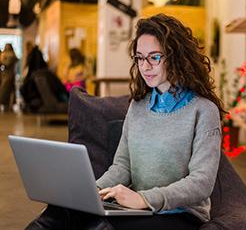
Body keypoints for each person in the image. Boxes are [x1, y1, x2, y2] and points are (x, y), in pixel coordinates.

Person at [26, 13, 225, 229]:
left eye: (154, 57)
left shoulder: (204, 110)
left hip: (181, 214)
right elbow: (122, 166)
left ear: (176, 57)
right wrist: (91, 191)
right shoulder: (138, 106)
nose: (145, 66)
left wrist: (144, 199)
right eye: (139, 57)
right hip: (136, 206)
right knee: (57, 214)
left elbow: (202, 183)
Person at [0, 43, 18, 111]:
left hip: (9, 75)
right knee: (6, 90)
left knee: (5, 90)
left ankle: (6, 103)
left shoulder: (11, 55)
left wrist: (2, 62)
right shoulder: (4, 54)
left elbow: (6, 64)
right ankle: (6, 103)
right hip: (4, 75)